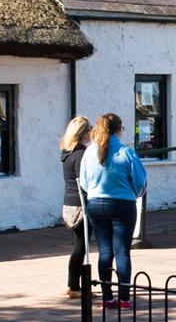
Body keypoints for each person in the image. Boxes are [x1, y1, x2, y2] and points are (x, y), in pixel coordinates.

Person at [79, 112, 148, 308]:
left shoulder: (89, 152)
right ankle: (125, 298)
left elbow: (84, 182)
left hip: (95, 204)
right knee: (122, 252)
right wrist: (135, 194)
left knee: (105, 251)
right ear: (118, 130)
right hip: (122, 204)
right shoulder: (126, 152)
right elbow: (140, 180)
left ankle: (107, 297)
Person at [58, 115, 90, 300]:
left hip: (69, 202)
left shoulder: (67, 153)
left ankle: (73, 284)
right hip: (80, 204)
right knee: (81, 246)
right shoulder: (80, 154)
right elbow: (83, 181)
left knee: (79, 245)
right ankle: (74, 286)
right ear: (84, 132)